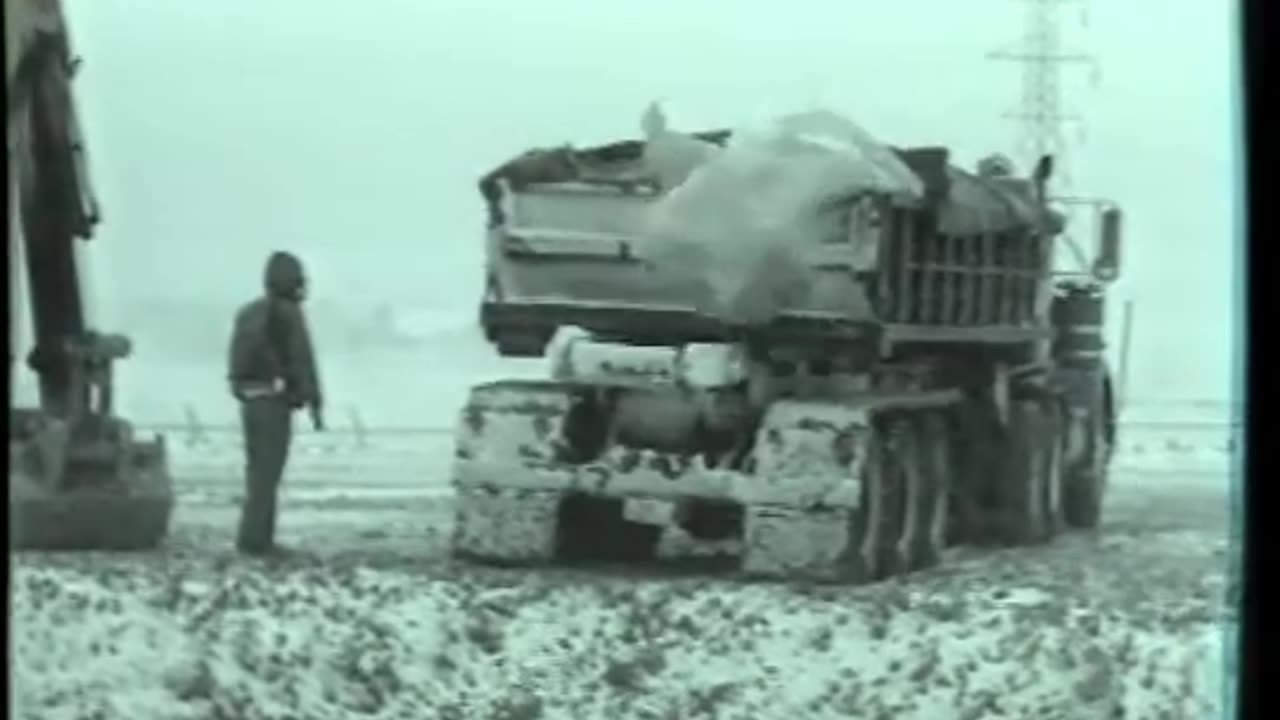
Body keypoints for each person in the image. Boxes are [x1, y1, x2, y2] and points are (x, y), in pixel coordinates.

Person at [226, 251, 324, 556]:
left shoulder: (247, 313)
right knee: (269, 475)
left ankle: (253, 537)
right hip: (274, 403)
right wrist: (312, 401)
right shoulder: (289, 314)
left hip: (250, 401)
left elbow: (235, 362)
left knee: (256, 473)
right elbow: (302, 360)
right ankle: (257, 542)